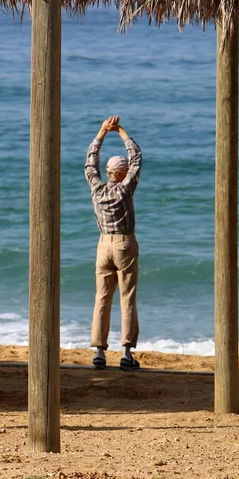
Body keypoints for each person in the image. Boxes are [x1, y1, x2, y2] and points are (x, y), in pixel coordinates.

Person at [84, 115, 142, 370]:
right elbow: (137, 156)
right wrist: (120, 131)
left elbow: (90, 162)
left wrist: (102, 132)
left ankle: (99, 351)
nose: (129, 171)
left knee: (102, 297)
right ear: (121, 173)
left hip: (102, 246)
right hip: (123, 244)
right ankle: (127, 354)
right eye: (126, 170)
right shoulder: (124, 189)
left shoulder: (96, 188)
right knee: (126, 297)